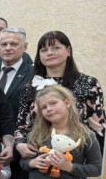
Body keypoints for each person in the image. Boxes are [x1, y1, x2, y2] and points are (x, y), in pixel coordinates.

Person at [14, 31, 105, 161]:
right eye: (44, 50)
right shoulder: (30, 87)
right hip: (40, 157)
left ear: (68, 51)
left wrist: (96, 161)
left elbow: (98, 127)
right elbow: (22, 125)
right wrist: (20, 143)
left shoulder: (89, 83)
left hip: (77, 157)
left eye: (56, 48)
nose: (49, 53)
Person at [0, 27, 33, 121]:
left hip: (20, 129)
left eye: (13, 44)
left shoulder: (34, 74)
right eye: (4, 44)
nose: (8, 48)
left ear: (25, 47)